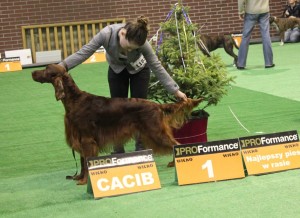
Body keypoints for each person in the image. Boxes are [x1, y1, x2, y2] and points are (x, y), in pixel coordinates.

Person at [58, 16, 187, 154]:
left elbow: (156, 66)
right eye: (129, 47)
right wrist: (61, 67)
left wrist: (175, 90)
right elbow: (84, 53)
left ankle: (141, 148)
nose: (130, 51)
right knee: (116, 111)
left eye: (134, 49)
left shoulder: (143, 44)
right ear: (123, 34)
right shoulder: (106, 34)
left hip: (139, 71)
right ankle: (118, 150)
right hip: (117, 71)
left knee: (141, 111)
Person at [237, 0, 274, 69]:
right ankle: (269, 63)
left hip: (251, 11)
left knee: (245, 37)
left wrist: (241, 11)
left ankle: (241, 64)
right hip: (264, 10)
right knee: (266, 35)